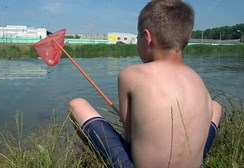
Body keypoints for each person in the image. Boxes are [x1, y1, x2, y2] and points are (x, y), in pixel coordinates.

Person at [68, 0, 222, 167]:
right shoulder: (197, 80)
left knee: (76, 105)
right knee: (216, 106)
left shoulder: (130, 74)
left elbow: (130, 137)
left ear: (147, 38)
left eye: (138, 36)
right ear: (185, 40)